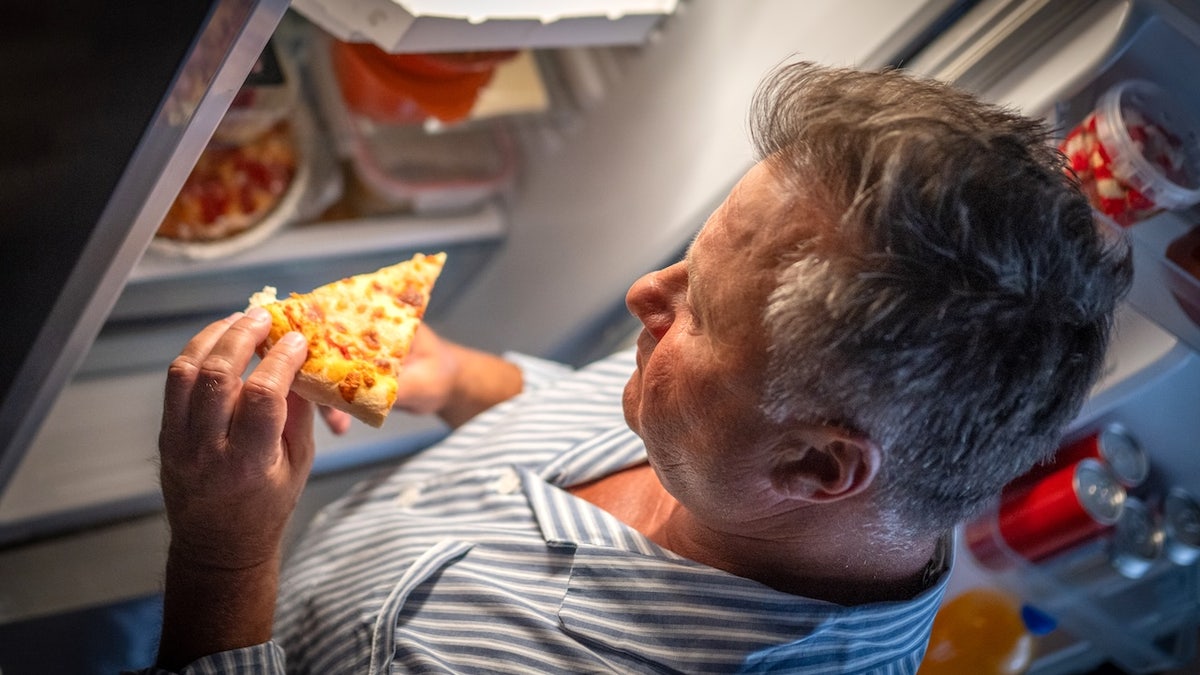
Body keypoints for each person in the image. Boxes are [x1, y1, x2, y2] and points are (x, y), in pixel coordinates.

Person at [141, 60, 1131, 674]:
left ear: (816, 470)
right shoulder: (746, 430)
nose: (642, 298)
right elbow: (582, 408)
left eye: (695, 306)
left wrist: (225, 557)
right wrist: (458, 380)